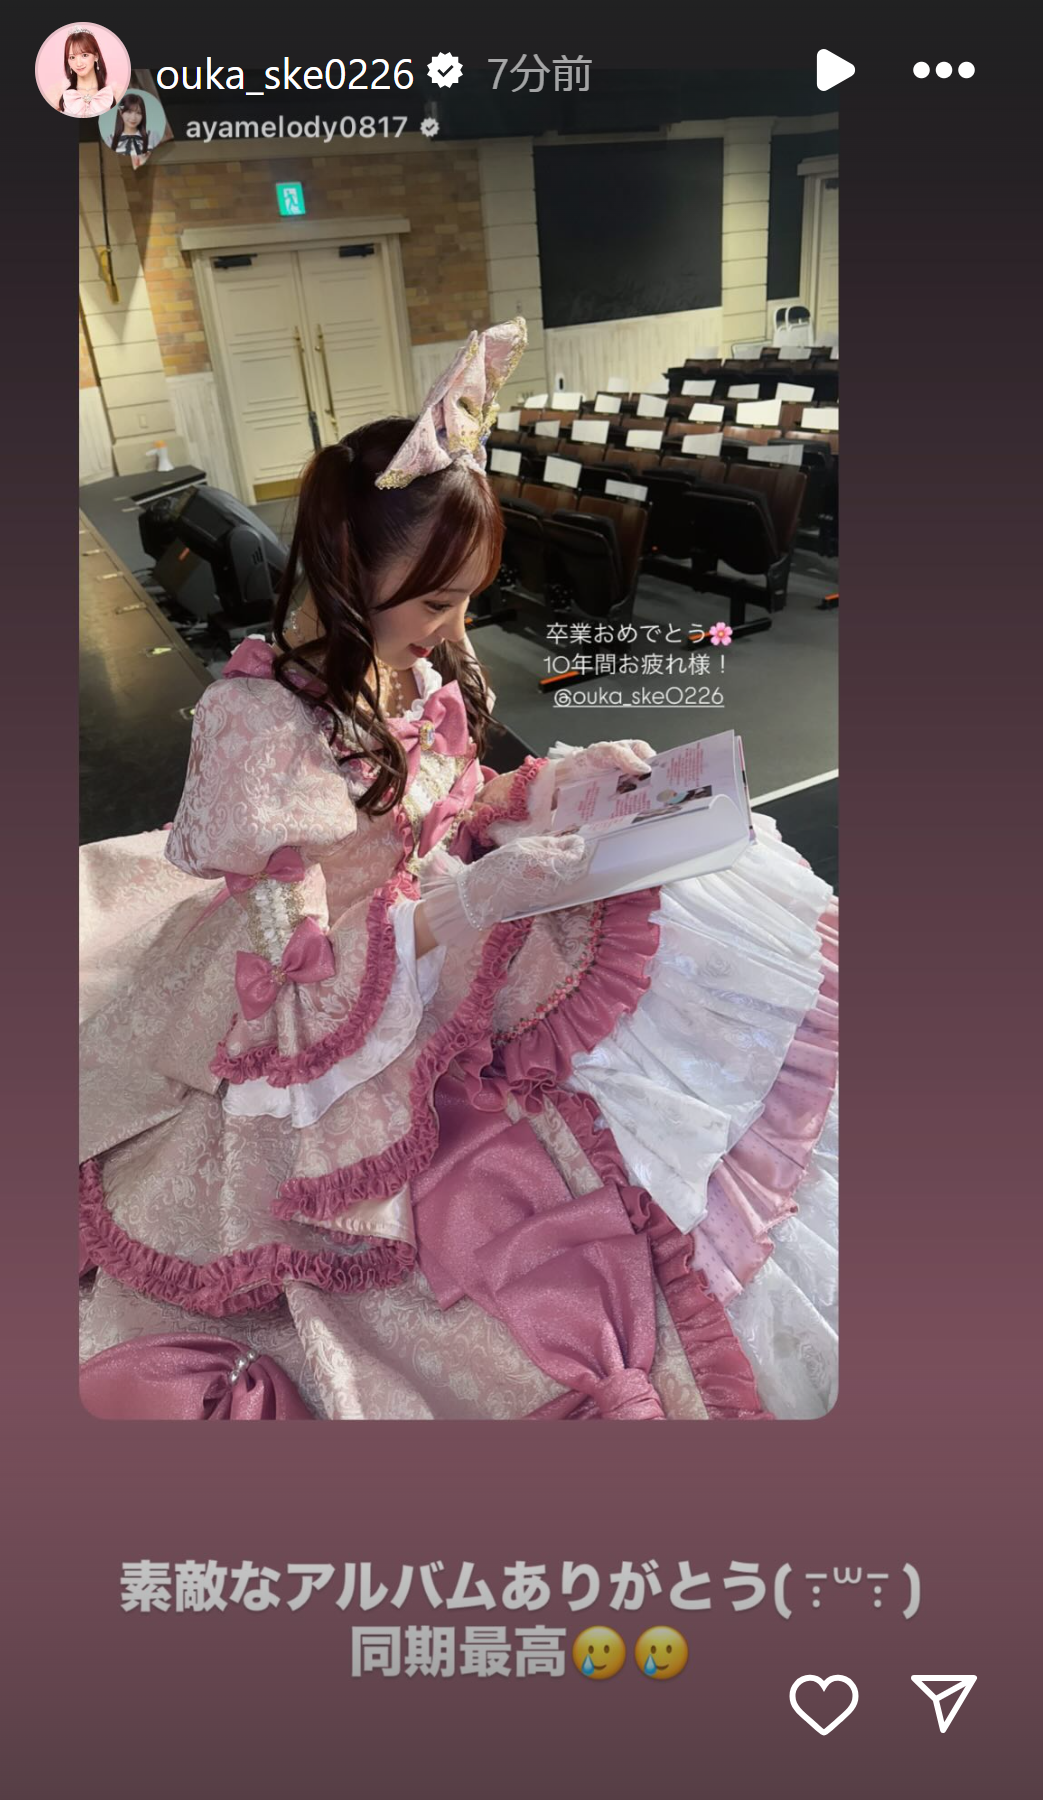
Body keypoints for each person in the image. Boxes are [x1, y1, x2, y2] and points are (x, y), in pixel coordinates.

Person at [80, 318, 838, 1422]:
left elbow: (444, 801)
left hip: (426, 915)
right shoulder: (258, 725)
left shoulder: (409, 659)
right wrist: (473, 898)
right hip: (338, 974)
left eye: (466, 600)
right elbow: (294, 962)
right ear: (349, 576)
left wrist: (556, 785)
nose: (453, 629)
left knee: (682, 925)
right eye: (436, 602)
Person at [51, 30, 114, 116]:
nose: (78, 63)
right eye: (72, 57)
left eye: (84, 55)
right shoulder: (64, 96)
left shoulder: (109, 94)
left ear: (96, 56)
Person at [108, 93, 157, 164]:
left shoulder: (152, 137)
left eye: (138, 113)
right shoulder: (110, 139)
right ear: (121, 112)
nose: (133, 117)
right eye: (129, 112)